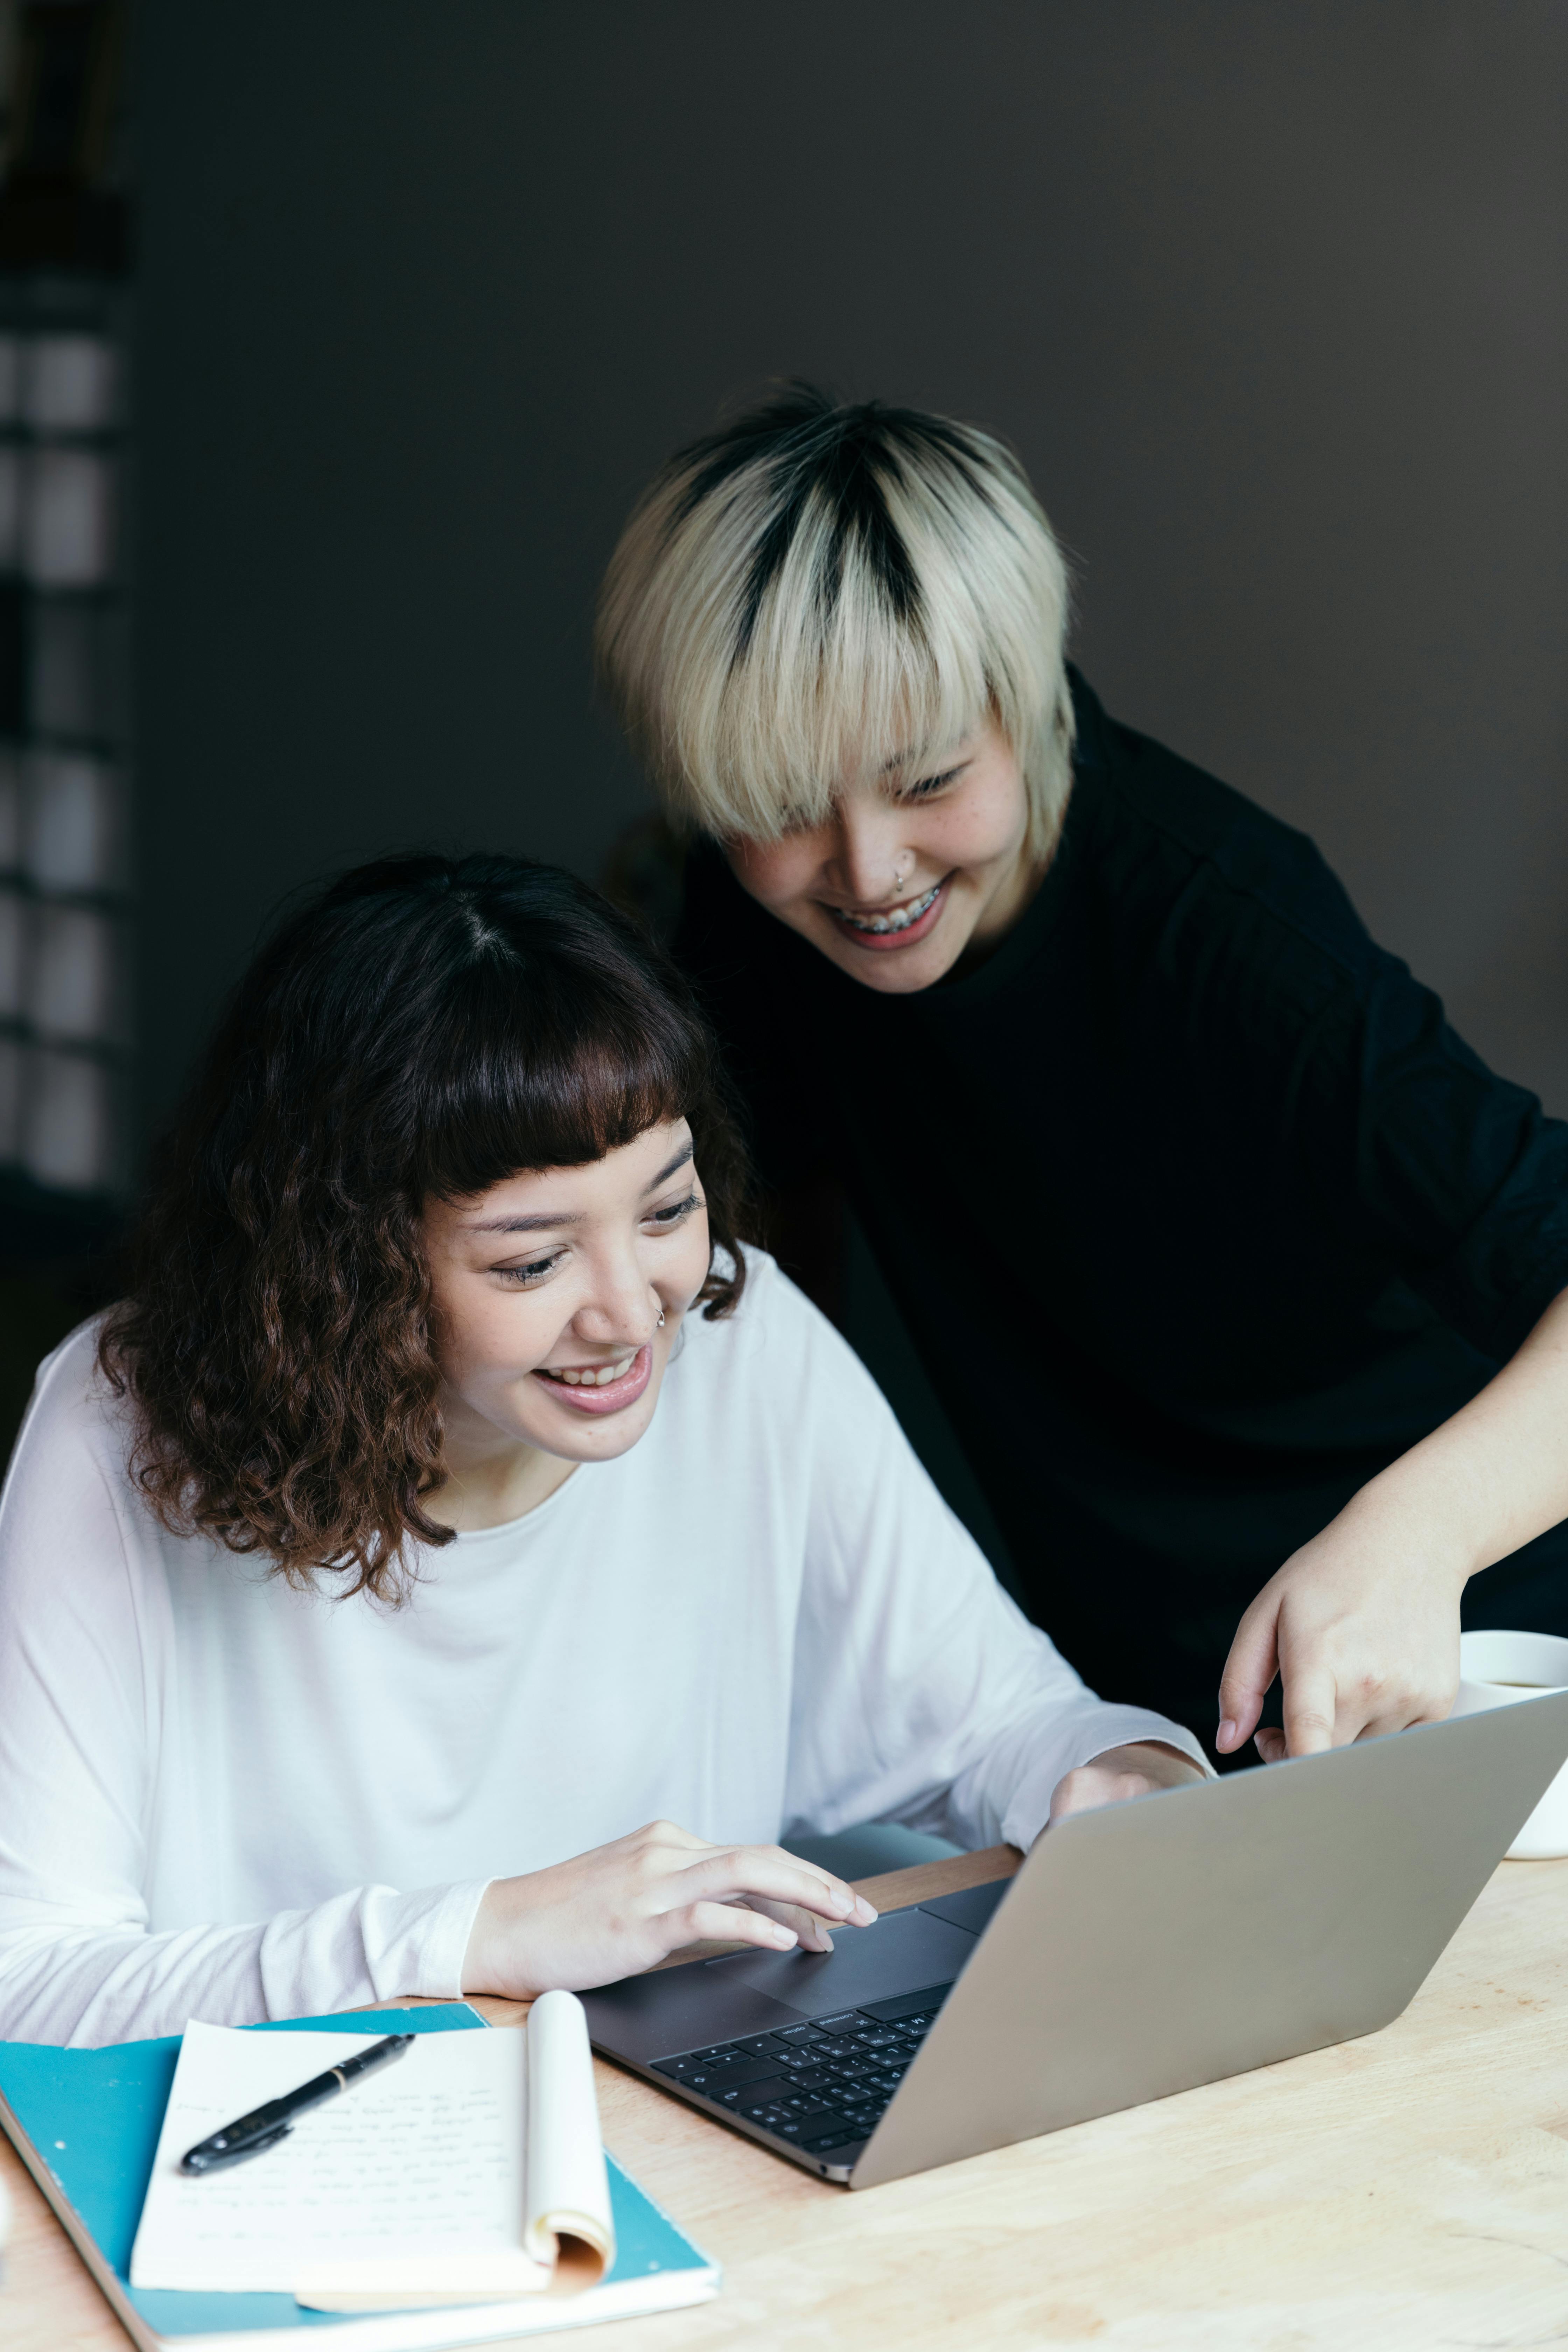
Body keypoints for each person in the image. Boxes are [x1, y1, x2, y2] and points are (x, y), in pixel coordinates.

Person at [0, 853, 1205, 2048]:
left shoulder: (742, 1342)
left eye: (668, 1209)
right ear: (345, 1268)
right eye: (532, 1261)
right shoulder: (122, 1426)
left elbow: (997, 1720)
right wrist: (483, 1934)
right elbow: (28, 1980)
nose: (633, 1314)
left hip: (681, 2135)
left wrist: (1121, 1778)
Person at [594, 383, 1568, 1767]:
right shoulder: (748, 919)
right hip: (1135, 1693)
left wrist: (1412, 1538)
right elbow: (763, 1261)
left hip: (1474, 1644)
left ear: (1024, 692)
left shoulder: (1227, 933)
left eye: (928, 780)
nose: (868, 873)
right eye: (783, 807)